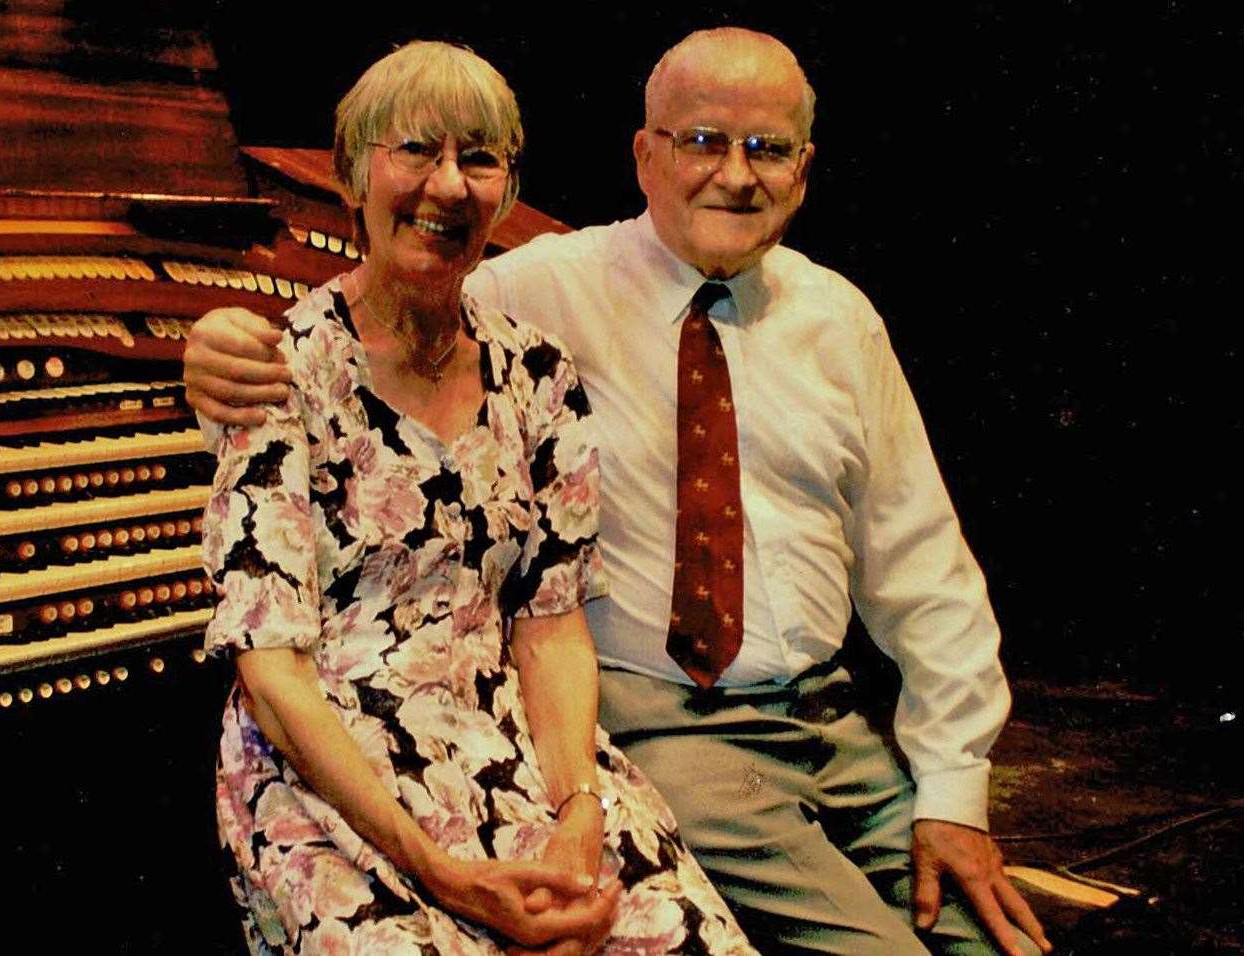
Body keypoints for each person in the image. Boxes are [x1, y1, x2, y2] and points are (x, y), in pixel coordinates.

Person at [188, 29, 1052, 956]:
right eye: (704, 141)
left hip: (813, 726)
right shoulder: (528, 290)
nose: (736, 175)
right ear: (645, 156)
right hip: (637, 727)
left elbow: (923, 564)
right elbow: (370, 316)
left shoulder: (800, 324)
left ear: (803, 172)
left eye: (765, 150)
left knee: (992, 944)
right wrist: (213, 350)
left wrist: (954, 792)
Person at [200, 40, 755, 956]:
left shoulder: (538, 371)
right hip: (330, 775)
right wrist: (443, 873)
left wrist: (578, 811)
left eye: (479, 158)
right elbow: (272, 674)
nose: (448, 186)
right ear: (349, 175)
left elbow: (549, 623)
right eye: (415, 150)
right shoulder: (281, 372)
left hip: (509, 743)